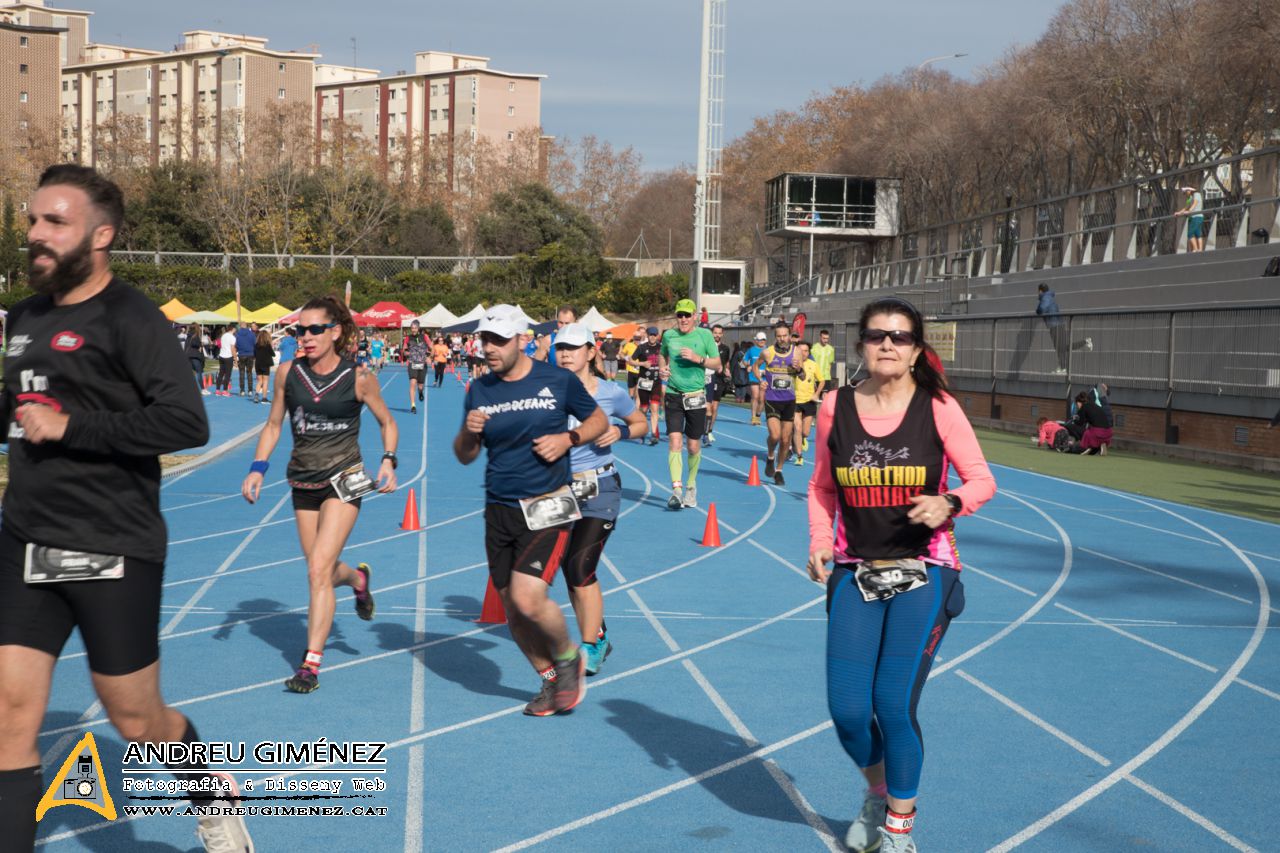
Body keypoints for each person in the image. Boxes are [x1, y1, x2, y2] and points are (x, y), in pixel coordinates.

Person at [0, 164, 253, 852]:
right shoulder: (23, 318)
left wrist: (73, 428)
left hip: (112, 541)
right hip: (26, 538)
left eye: (55, 222)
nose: (36, 235)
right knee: (10, 713)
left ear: (101, 234)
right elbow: (18, 409)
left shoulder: (131, 317)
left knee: (135, 718)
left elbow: (185, 422)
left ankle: (210, 792)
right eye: (32, 221)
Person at [807, 296, 996, 853]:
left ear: (916, 349)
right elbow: (821, 487)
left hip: (926, 570)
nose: (887, 344)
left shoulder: (938, 407)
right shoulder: (833, 406)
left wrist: (951, 502)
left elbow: (982, 479)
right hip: (854, 571)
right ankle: (877, 790)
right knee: (846, 710)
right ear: (860, 344)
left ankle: (899, 829)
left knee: (892, 705)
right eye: (876, 335)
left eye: (900, 336)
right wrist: (820, 542)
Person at [453, 305, 608, 716]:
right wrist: (468, 435)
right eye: (485, 339)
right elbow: (465, 456)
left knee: (528, 597)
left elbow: (597, 420)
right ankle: (550, 681)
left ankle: (567, 656)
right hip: (499, 507)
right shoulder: (479, 390)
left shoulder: (556, 380)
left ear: (522, 340)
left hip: (548, 504)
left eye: (499, 341)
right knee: (511, 608)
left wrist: (568, 439)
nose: (489, 348)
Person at [241, 295, 398, 693]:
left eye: (314, 330)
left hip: (345, 479)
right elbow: (274, 425)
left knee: (316, 572)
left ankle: (310, 664)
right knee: (322, 570)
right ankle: (358, 580)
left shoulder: (359, 376)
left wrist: (388, 460)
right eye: (299, 331)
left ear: (335, 331)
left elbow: (387, 422)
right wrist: (258, 468)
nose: (305, 337)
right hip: (303, 482)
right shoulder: (287, 373)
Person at [554, 324, 647, 675]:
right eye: (560, 347)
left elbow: (640, 422)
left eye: (573, 348)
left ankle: (591, 645)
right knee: (566, 569)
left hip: (600, 488)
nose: (565, 353)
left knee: (580, 567)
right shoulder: (549, 391)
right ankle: (598, 633)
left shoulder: (610, 392)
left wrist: (620, 431)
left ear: (592, 352)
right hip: (560, 489)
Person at [658, 300, 721, 509]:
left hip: (695, 396)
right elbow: (662, 355)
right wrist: (663, 369)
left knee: (693, 445)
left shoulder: (705, 335)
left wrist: (697, 358)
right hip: (674, 395)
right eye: (679, 315)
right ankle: (676, 490)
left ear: (695, 316)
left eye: (687, 315)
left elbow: (717, 364)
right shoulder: (669, 335)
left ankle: (691, 486)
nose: (683, 319)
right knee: (674, 441)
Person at [755, 321, 800, 485]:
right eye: (779, 336)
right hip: (772, 399)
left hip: (789, 399)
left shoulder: (796, 353)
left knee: (786, 440)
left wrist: (799, 369)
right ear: (775, 337)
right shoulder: (767, 353)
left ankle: (779, 470)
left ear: (789, 336)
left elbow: (801, 376)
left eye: (785, 335)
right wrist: (761, 380)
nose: (782, 339)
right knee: (775, 435)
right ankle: (770, 456)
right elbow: (755, 367)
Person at [1035, 283, 1092, 374]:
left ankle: (1063, 367)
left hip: (1054, 325)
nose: (1037, 293)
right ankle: (1063, 366)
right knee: (1063, 347)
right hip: (1057, 325)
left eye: (1038, 291)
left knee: (1060, 347)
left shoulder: (1045, 298)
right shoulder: (1049, 297)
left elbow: (1041, 309)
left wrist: (1037, 310)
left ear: (1040, 290)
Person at [633, 326, 664, 445]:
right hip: (644, 382)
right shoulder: (641, 347)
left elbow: (667, 359)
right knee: (644, 409)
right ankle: (642, 431)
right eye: (650, 335)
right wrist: (642, 363)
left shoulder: (661, 348)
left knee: (655, 408)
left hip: (656, 382)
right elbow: (630, 360)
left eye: (654, 335)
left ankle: (654, 434)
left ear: (657, 336)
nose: (652, 337)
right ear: (647, 335)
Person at [792, 340, 821, 465]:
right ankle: (799, 457)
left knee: (805, 432)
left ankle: (803, 439)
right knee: (797, 428)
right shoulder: (791, 364)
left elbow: (822, 381)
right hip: (794, 400)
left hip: (809, 400)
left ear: (809, 353)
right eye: (800, 350)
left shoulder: (813, 365)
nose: (803, 353)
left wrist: (816, 394)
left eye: (805, 351)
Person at [703, 324, 732, 444]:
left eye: (720, 333)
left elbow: (726, 362)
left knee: (714, 407)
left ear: (722, 334)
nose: (717, 335)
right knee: (704, 406)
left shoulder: (725, 348)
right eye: (715, 333)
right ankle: (702, 429)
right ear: (712, 333)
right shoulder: (707, 346)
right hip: (707, 377)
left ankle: (709, 431)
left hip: (718, 380)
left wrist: (727, 370)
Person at [1064, 390, 1113, 455]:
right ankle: (1098, 446)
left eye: (1077, 403)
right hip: (1108, 433)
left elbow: (1080, 423)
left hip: (1097, 433)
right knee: (1091, 433)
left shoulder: (1083, 407)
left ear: (1079, 402)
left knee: (1081, 431)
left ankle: (1082, 447)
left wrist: (1074, 419)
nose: (1077, 406)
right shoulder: (1096, 406)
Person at [741, 331, 766, 424]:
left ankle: (758, 415)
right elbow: (744, 360)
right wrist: (748, 366)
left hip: (764, 377)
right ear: (756, 340)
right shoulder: (751, 350)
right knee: (755, 396)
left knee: (762, 399)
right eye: (760, 340)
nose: (762, 342)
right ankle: (753, 416)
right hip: (753, 376)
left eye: (763, 340)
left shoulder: (768, 350)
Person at [404, 320, 428, 415]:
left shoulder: (424, 337)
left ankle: (421, 391)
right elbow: (404, 349)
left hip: (422, 363)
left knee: (420, 385)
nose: (413, 330)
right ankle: (413, 405)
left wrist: (429, 357)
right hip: (412, 363)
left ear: (418, 328)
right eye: (412, 328)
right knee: (412, 383)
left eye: (415, 328)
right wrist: (406, 352)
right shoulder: (408, 338)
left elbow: (431, 347)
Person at [1175, 185, 1205, 252]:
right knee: (1198, 233)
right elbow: (1186, 207)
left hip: (1196, 217)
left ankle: (1196, 249)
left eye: (1186, 192)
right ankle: (1200, 249)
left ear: (1190, 190)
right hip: (1194, 217)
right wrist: (1179, 213)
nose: (1186, 194)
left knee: (1189, 233)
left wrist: (1189, 211)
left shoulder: (1196, 194)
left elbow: (1195, 203)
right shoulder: (1190, 198)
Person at [183, 322, 209, 395]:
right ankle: (203, 389)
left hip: (188, 356)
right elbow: (195, 344)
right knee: (199, 372)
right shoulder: (195, 336)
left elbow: (187, 346)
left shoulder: (188, 336)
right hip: (194, 356)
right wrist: (200, 344)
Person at [812, 328, 837, 398]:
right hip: (815, 378)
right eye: (824, 338)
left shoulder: (831, 349)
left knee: (825, 399)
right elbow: (811, 363)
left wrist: (829, 376)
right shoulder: (813, 348)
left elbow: (830, 364)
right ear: (820, 337)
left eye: (827, 338)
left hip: (826, 378)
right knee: (815, 398)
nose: (826, 340)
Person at [234, 321, 256, 396]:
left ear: (240, 326)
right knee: (249, 372)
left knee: (241, 373)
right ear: (246, 326)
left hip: (241, 354)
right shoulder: (252, 334)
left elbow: (236, 345)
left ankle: (242, 390)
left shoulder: (237, 335)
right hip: (250, 354)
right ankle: (250, 390)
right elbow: (254, 344)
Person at [253, 328, 274, 404]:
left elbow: (254, 355)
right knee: (265, 381)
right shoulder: (267, 345)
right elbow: (273, 354)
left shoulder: (256, 345)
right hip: (266, 364)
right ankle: (264, 398)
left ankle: (256, 395)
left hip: (258, 364)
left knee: (259, 381)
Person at [621, 330, 642, 404]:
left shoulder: (643, 345)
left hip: (641, 372)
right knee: (631, 392)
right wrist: (626, 357)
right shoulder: (628, 345)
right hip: (631, 371)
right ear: (633, 338)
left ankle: (637, 408)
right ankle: (630, 406)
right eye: (636, 338)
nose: (637, 340)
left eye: (639, 338)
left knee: (638, 392)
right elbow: (622, 354)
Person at [216, 324, 237, 397]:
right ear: (233, 329)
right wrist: (235, 359)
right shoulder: (232, 337)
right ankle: (225, 390)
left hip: (221, 355)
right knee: (227, 374)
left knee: (221, 373)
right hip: (228, 356)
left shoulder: (223, 335)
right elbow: (232, 349)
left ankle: (217, 390)